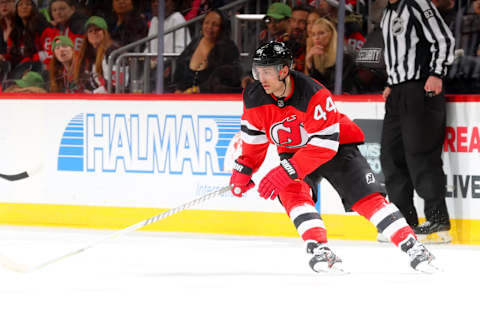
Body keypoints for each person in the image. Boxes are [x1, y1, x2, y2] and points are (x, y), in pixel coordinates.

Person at [230, 41, 438, 273]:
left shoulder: (314, 93)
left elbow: (324, 145)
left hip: (336, 147)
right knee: (292, 193)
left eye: (267, 71)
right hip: (294, 150)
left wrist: (288, 169)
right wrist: (244, 168)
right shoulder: (254, 96)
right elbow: (254, 136)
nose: (262, 78)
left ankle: (414, 247)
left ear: (284, 70)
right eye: (258, 71)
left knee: (366, 199)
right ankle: (320, 249)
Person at [380, 0, 455, 243]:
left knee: (421, 154)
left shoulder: (416, 3)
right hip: (398, 92)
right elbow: (397, 54)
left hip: (421, 87)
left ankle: (438, 221)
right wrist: (392, 83)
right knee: (390, 156)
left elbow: (444, 39)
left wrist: (436, 73)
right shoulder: (387, 12)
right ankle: (403, 222)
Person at [173, 9, 241, 93]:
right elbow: (180, 68)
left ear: (222, 28)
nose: (209, 27)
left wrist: (199, 90)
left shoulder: (229, 49)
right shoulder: (195, 42)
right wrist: (178, 90)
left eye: (215, 24)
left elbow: (227, 81)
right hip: (184, 98)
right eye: (206, 23)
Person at [305, 18, 357, 93]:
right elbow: (316, 85)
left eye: (321, 33)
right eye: (313, 34)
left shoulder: (344, 57)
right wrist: (309, 63)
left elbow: (335, 87)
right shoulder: (316, 56)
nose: (317, 38)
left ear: (332, 34)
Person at [73, 16, 119, 93]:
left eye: (97, 29)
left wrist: (93, 93)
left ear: (105, 32)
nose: (94, 32)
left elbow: (116, 83)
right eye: (90, 31)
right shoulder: (87, 54)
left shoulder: (113, 51)